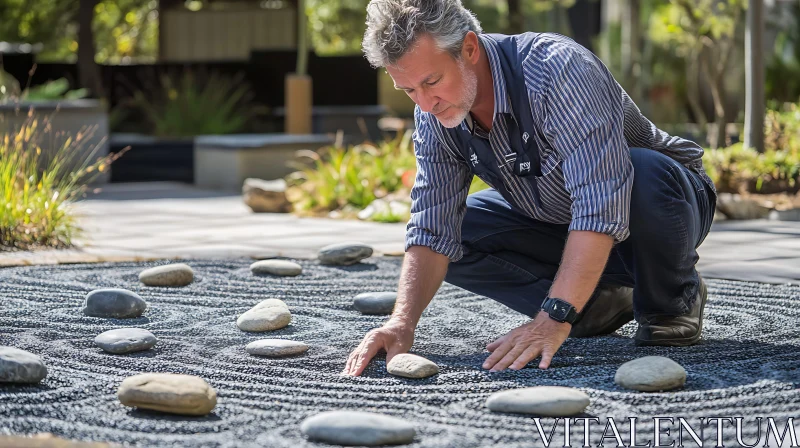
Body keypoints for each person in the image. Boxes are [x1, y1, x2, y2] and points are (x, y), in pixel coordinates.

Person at [342, 0, 717, 377]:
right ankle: (591, 305)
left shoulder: (559, 70)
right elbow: (432, 227)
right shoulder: (433, 112)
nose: (424, 103)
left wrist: (553, 317)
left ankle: (672, 301)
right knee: (457, 235)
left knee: (644, 170)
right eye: (408, 90)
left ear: (469, 48)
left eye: (432, 82)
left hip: (664, 206)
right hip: (558, 217)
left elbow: (600, 203)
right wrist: (400, 324)